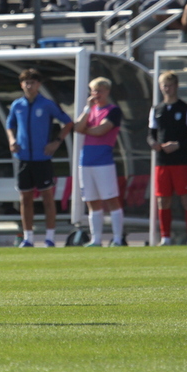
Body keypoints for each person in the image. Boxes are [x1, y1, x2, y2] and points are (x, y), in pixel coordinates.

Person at [6, 69, 73, 248]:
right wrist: (12, 140)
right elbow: (10, 125)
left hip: (42, 158)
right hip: (23, 158)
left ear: (39, 85)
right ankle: (28, 238)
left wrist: (56, 142)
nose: (29, 86)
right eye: (26, 82)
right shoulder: (17, 105)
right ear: (21, 85)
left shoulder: (47, 104)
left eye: (33, 82)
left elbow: (67, 122)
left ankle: (50, 237)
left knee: (47, 197)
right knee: (25, 198)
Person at [147, 71, 187, 246]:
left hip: (181, 160)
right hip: (162, 162)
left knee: (186, 198)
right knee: (163, 199)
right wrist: (154, 144)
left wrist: (178, 145)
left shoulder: (186, 109)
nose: (167, 89)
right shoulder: (156, 109)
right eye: (164, 85)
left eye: (170, 85)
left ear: (176, 86)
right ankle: (165, 237)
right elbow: (151, 135)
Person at [74, 77, 124, 247]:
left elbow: (101, 130)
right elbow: (77, 128)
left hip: (103, 162)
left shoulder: (114, 111)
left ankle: (117, 238)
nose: (96, 94)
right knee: (91, 201)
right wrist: (87, 109)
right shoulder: (91, 110)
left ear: (107, 91)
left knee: (111, 199)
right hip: (86, 161)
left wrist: (85, 130)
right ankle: (96, 239)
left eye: (99, 91)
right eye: (94, 91)